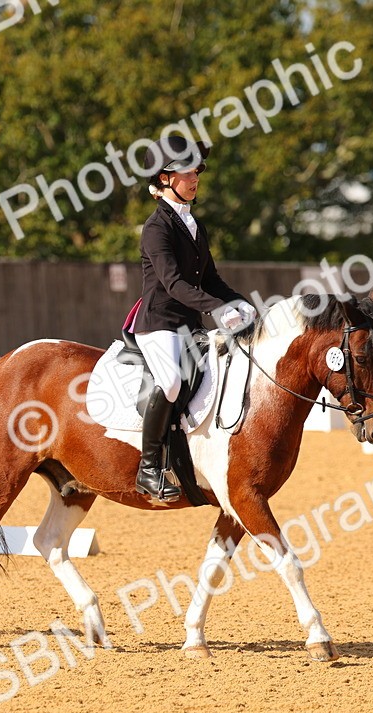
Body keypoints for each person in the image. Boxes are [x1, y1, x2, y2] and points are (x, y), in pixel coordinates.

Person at [127, 135, 256, 501]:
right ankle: (149, 469)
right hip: (160, 323)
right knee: (169, 382)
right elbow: (173, 283)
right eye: (187, 171)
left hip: (191, 326)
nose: (195, 176)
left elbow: (210, 278)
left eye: (197, 169)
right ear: (165, 178)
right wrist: (216, 308)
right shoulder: (157, 228)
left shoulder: (194, 224)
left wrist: (239, 302)